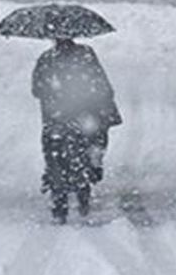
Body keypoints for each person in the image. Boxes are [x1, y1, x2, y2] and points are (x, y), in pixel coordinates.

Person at [32, 37, 121, 223]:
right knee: (85, 152)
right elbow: (101, 84)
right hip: (84, 116)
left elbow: (37, 89)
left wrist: (54, 95)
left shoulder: (46, 59)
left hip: (56, 118)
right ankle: (84, 191)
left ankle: (59, 202)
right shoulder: (86, 55)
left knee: (55, 157)